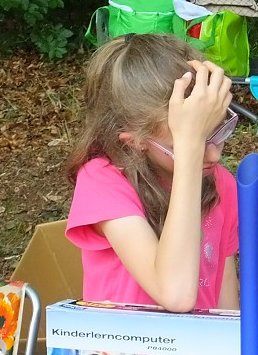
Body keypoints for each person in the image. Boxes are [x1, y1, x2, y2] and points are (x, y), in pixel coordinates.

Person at [66, 33, 240, 312]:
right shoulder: (102, 181)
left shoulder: (221, 184)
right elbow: (175, 294)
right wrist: (189, 152)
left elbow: (227, 308)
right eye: (188, 143)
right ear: (135, 140)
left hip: (201, 351)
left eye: (218, 132)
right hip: (123, 353)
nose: (214, 155)